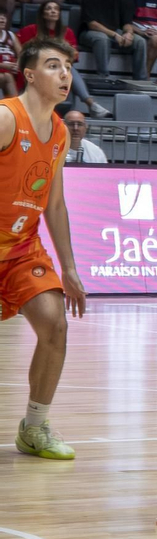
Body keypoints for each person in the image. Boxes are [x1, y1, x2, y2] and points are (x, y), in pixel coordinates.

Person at [3, 38, 88, 459]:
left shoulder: (59, 132)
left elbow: (54, 204)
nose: (65, 73)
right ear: (30, 75)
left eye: (68, 66)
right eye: (54, 65)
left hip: (22, 249)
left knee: (54, 324)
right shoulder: (6, 118)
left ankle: (34, 428)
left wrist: (69, 269)